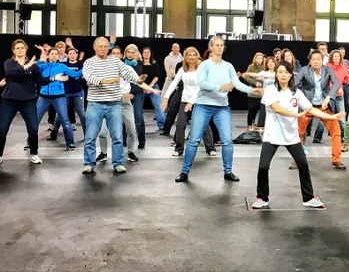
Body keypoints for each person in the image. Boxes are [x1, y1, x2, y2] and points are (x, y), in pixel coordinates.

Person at [251, 61, 344, 210]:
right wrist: (297, 114)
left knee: (303, 164)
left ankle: (308, 198)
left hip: (291, 136)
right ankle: (262, 198)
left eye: (286, 72)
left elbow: (311, 109)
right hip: (272, 135)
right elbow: (277, 108)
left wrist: (332, 117)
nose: (283, 75)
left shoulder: (296, 92)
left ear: (290, 75)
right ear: (276, 74)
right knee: (263, 166)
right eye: (280, 72)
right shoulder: (270, 90)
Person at [174, 36, 262, 183]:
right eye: (217, 45)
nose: (220, 47)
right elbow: (201, 83)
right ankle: (184, 172)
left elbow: (237, 84)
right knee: (194, 140)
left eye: (222, 45)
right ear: (211, 47)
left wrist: (253, 91)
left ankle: (228, 171)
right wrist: (221, 87)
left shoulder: (228, 66)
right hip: (203, 106)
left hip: (222, 108)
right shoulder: (204, 65)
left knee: (227, 140)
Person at [81, 37, 149, 174]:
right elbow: (90, 78)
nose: (103, 48)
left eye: (106, 46)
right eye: (100, 46)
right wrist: (108, 81)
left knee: (117, 136)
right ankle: (89, 163)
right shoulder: (89, 62)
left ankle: (118, 163)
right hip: (95, 104)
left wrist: (138, 79)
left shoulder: (115, 61)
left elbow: (127, 72)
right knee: (90, 136)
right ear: (95, 48)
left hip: (114, 104)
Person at [0, 40, 53, 164]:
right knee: (2, 129)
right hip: (9, 101)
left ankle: (34, 153)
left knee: (33, 129)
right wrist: (25, 67)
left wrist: (54, 78)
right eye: (17, 48)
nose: (20, 50)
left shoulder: (33, 65)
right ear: (13, 50)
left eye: (22, 48)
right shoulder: (9, 63)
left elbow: (40, 81)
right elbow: (11, 73)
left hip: (28, 101)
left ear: (26, 49)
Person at [162, 47, 216, 158]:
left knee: (204, 126)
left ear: (197, 57)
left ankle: (210, 149)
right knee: (180, 124)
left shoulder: (201, 69)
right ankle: (179, 149)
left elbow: (199, 87)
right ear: (185, 57)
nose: (192, 57)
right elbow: (173, 84)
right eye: (189, 55)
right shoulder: (182, 70)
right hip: (185, 101)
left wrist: (191, 102)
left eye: (194, 55)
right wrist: (166, 98)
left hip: (199, 101)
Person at [295, 52, 346, 170]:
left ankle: (336, 160)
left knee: (336, 131)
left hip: (324, 106)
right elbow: (296, 84)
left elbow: (336, 83)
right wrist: (302, 97)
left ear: (322, 60)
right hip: (308, 106)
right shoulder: (304, 70)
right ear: (310, 61)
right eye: (314, 59)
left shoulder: (328, 70)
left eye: (318, 59)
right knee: (298, 133)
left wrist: (328, 97)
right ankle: (298, 160)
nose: (316, 61)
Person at [34, 47, 82, 151]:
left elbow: (76, 74)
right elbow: (32, 67)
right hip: (43, 97)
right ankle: (30, 142)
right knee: (35, 120)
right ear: (48, 55)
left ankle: (70, 143)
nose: (54, 55)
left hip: (59, 96)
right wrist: (39, 60)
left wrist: (86, 67)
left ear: (58, 56)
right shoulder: (43, 66)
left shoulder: (62, 66)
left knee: (65, 120)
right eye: (52, 54)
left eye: (56, 54)